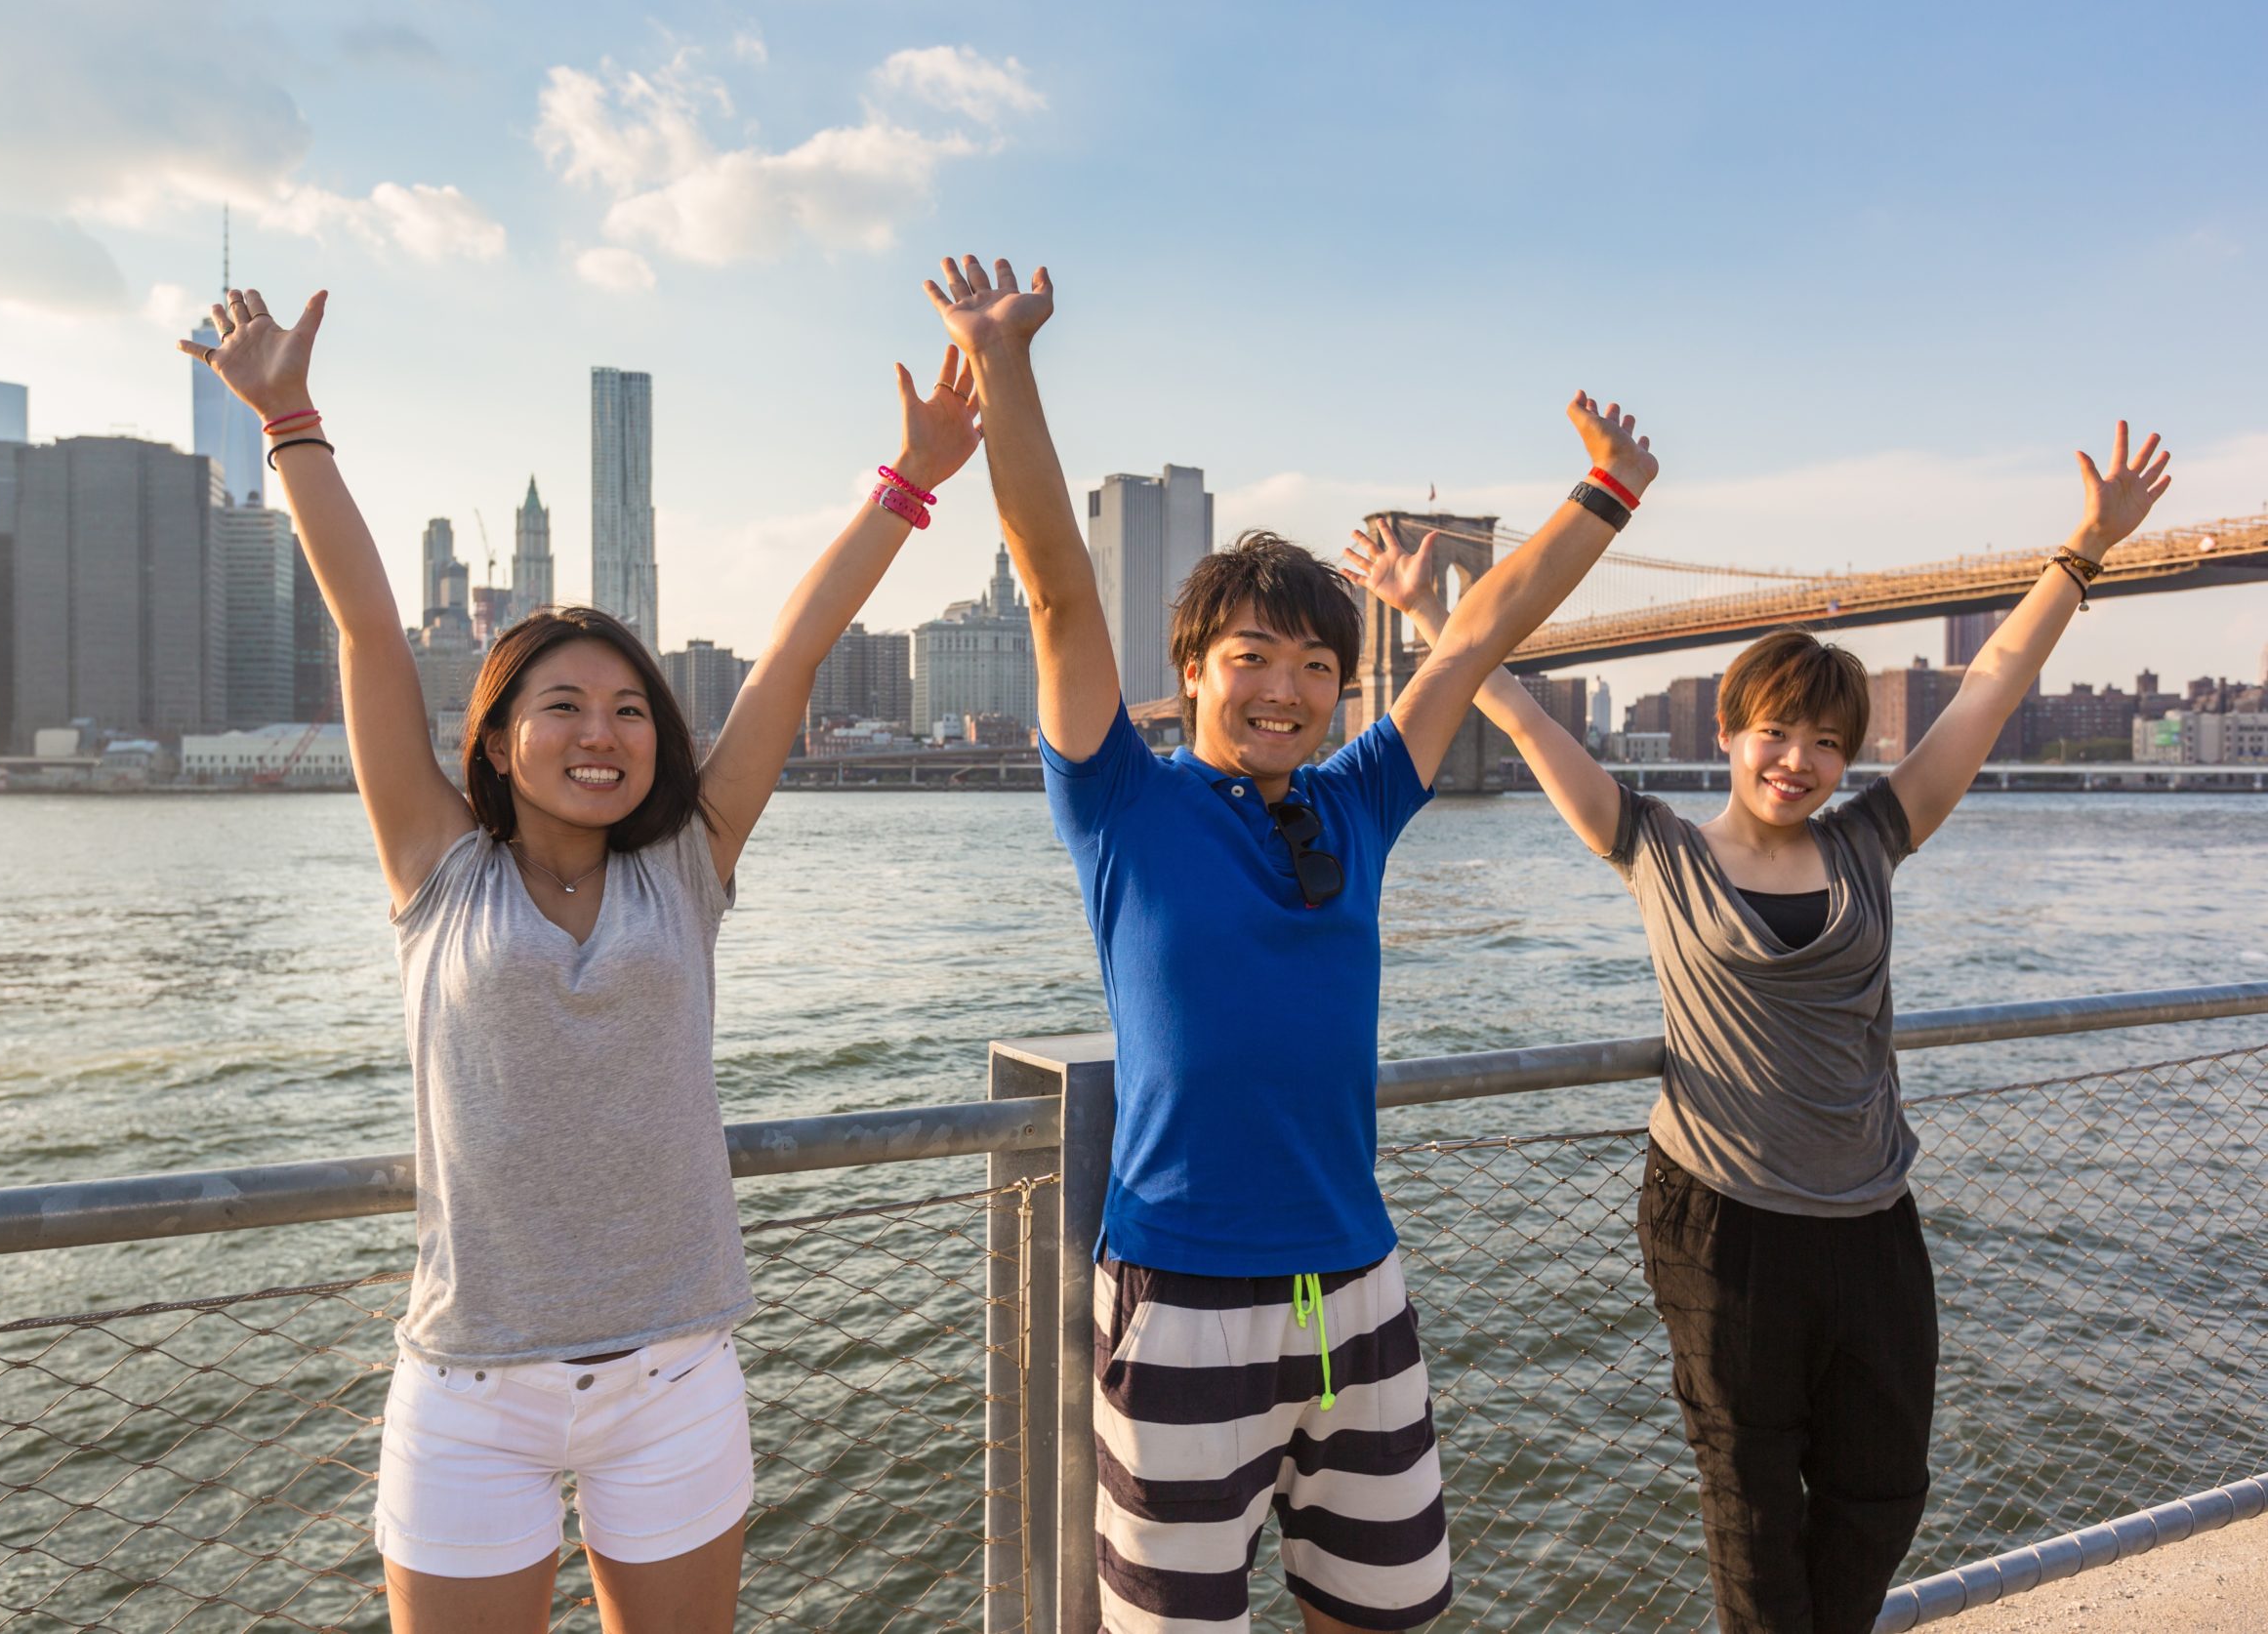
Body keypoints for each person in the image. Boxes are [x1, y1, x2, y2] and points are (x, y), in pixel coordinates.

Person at [180, 288, 982, 1633]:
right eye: (563, 706)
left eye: (629, 708)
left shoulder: (687, 865)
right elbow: (373, 635)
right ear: (497, 739)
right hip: (471, 1388)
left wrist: (908, 481)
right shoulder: (437, 867)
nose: (601, 730)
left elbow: (790, 657)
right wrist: (290, 423)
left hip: (673, 1376)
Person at [922, 253, 1660, 1632]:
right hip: (1184, 1291)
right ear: (1193, 668)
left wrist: (1605, 497)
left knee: (1388, 1615)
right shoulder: (1122, 799)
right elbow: (1056, 591)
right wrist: (1004, 362)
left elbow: (1474, 638)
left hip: (1356, 1287)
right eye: (1253, 657)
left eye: (1318, 666)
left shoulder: (1359, 798)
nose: (1287, 689)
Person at [1342, 424, 2173, 1633]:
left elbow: (1989, 684)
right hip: (1721, 1225)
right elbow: (1514, 714)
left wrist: (2083, 551)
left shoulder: (1873, 840)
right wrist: (1430, 613)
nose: (1798, 761)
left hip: (1873, 1222)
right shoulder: (1653, 845)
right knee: (1749, 1509)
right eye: (1776, 733)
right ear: (1729, 732)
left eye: (1827, 742)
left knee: (1883, 1491)